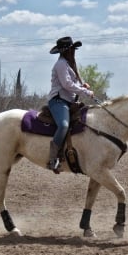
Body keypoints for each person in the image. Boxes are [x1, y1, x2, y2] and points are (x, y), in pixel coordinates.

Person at [47, 36, 94, 170]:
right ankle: (53, 159)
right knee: (63, 125)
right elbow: (67, 84)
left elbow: (72, 83)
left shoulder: (68, 64)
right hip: (58, 101)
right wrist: (86, 92)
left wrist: (82, 85)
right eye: (72, 49)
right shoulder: (61, 64)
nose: (74, 52)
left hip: (68, 101)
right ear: (67, 51)